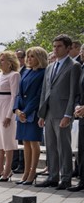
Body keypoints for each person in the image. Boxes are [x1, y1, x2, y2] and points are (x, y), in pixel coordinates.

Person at [36, 34, 82, 190]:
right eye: (54, 46)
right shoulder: (50, 67)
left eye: (59, 46)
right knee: (51, 147)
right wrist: (42, 114)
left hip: (63, 113)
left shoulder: (73, 66)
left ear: (68, 48)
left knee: (64, 147)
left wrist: (68, 114)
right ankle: (53, 177)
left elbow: (73, 92)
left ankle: (66, 178)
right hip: (48, 113)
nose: (55, 49)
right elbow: (44, 91)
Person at [13, 47, 48, 185]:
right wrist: (16, 109)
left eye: (32, 56)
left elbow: (39, 95)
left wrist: (26, 112)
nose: (28, 59)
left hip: (33, 112)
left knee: (34, 143)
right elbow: (19, 93)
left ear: (40, 58)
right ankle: (26, 172)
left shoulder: (43, 73)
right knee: (25, 143)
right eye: (28, 56)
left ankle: (33, 172)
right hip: (22, 112)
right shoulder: (26, 72)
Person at [0, 51, 20, 182]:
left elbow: (14, 95)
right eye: (0, 60)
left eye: (3, 60)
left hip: (6, 107)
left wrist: (9, 114)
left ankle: (8, 169)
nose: (0, 62)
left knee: (7, 139)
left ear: (10, 62)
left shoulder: (14, 75)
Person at [69, 50, 84, 192]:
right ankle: (82, 181)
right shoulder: (82, 68)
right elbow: (78, 93)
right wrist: (78, 106)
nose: (82, 53)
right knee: (82, 149)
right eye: (82, 51)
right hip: (82, 116)